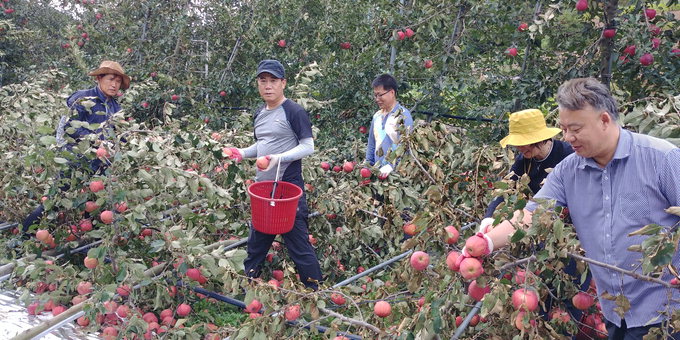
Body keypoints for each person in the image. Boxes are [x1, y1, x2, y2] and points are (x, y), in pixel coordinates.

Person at [465, 78, 680, 339]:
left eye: (575, 128)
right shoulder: (568, 171)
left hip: (665, 310)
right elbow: (532, 214)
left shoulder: (662, 159)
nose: (567, 137)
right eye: (564, 128)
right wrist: (486, 241)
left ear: (604, 120)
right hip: (615, 311)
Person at [225, 59, 322, 290]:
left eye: (273, 81)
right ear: (258, 84)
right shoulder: (260, 113)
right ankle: (248, 286)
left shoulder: (294, 111)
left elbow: (308, 147)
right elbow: (262, 146)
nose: (268, 86)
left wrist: (278, 158)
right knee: (257, 242)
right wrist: (241, 153)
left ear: (283, 83)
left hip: (288, 187)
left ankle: (316, 292)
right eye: (263, 81)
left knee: (298, 243)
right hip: (265, 188)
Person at [22, 60, 130, 232]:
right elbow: (71, 129)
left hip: (100, 164)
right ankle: (23, 238)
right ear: (99, 78)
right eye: (111, 79)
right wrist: (96, 141)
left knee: (92, 206)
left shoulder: (115, 107)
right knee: (54, 201)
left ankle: (87, 244)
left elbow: (121, 135)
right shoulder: (82, 98)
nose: (114, 84)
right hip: (75, 161)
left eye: (118, 82)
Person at [479, 109, 573, 232]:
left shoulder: (568, 155)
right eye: (517, 143)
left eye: (523, 142)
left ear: (539, 138)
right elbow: (506, 189)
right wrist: (488, 219)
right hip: (541, 224)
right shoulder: (523, 162)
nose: (519, 148)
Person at [365, 74, 414, 177]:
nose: (377, 99)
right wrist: (367, 166)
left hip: (396, 177)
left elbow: (406, 148)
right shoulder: (377, 116)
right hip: (377, 174)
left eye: (380, 95)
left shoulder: (403, 116)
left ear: (392, 92)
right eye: (375, 95)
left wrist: (392, 166)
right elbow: (371, 144)